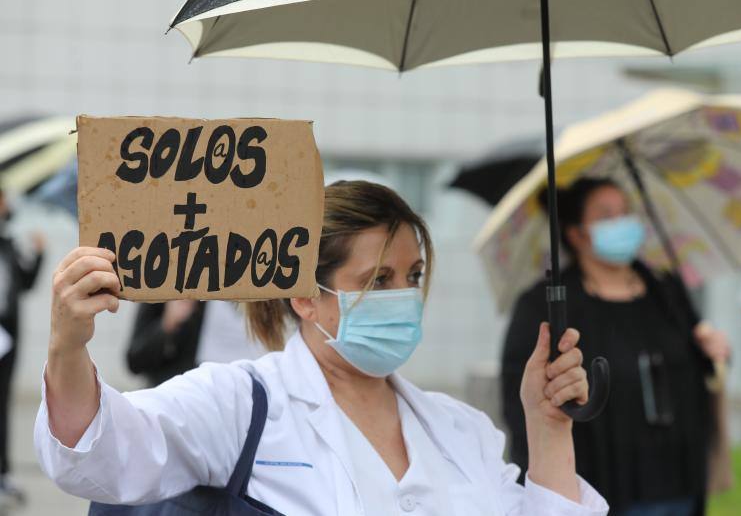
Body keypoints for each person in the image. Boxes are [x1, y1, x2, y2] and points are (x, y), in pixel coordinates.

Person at [35, 181, 608, 515]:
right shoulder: (242, 404)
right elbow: (103, 458)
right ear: (307, 298)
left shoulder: (462, 431)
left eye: (414, 275)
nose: (404, 296)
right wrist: (67, 344)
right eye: (378, 280)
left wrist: (548, 426)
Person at [502, 177, 730, 516]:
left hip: (679, 477)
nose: (622, 222)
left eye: (625, 212)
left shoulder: (665, 290)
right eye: (607, 215)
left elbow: (701, 369)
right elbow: (523, 401)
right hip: (602, 485)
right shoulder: (547, 306)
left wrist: (715, 350)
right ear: (577, 233)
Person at [0, 189, 45, 503]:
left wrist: (39, 254)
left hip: (6, 340)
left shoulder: (8, 245)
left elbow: (26, 283)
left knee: (2, 405)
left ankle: (3, 472)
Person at [128, 300, 266, 387]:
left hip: (245, 401)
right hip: (179, 404)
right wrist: (168, 324)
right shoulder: (171, 276)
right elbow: (134, 360)